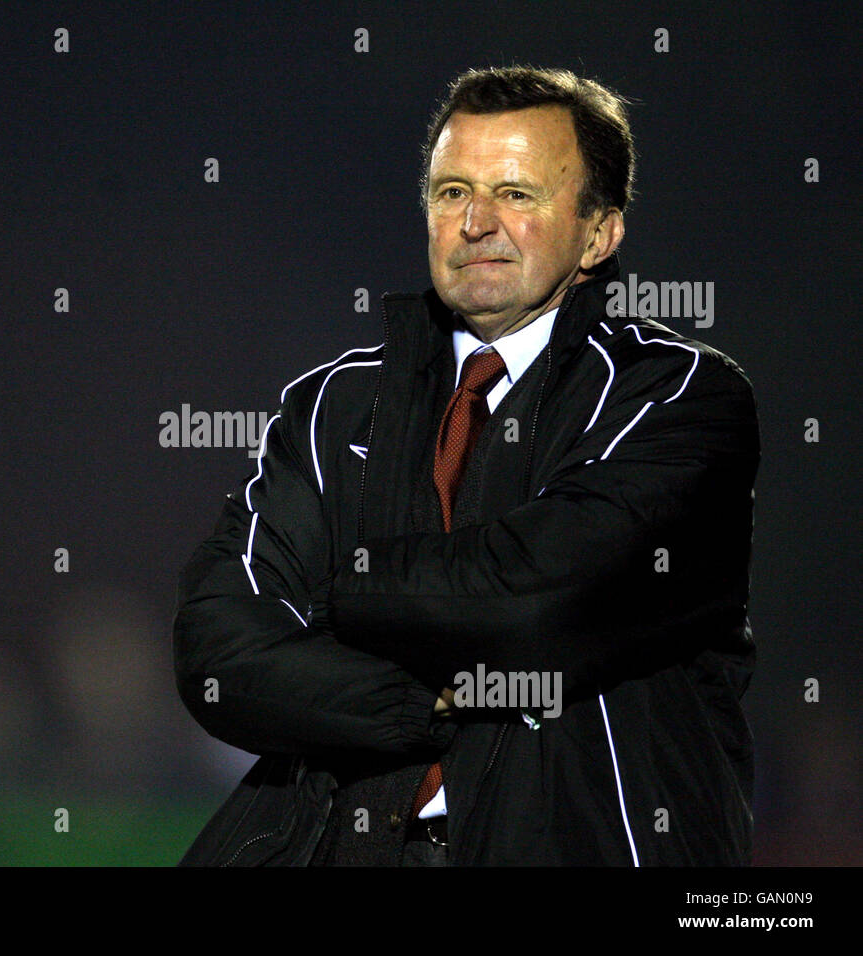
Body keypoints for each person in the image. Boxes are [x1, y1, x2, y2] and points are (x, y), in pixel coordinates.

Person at [172, 66, 759, 866]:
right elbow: (218, 650)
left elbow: (534, 601)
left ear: (599, 234)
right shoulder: (331, 404)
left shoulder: (681, 395)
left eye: (517, 194)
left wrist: (330, 597)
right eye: (452, 192)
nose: (476, 222)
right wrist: (423, 702)